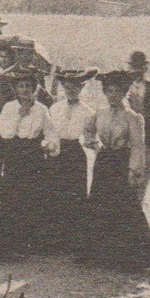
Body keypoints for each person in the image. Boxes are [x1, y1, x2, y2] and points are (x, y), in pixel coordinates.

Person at [80, 69, 150, 271]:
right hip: (105, 161)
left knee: (124, 206)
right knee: (100, 204)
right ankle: (100, 254)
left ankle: (128, 256)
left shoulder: (133, 117)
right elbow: (88, 129)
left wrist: (134, 170)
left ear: (124, 93)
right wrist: (93, 143)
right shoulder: (100, 113)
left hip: (122, 163)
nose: (113, 95)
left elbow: (137, 145)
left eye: (117, 91)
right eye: (109, 91)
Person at [0, 70, 51, 259]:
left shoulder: (42, 109)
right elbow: (5, 133)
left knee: (32, 197)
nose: (25, 90)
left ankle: (29, 243)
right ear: (15, 89)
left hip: (34, 154)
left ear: (34, 89)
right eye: (21, 86)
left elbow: (50, 132)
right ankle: (9, 245)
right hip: (14, 153)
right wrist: (20, 115)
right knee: (12, 197)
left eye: (28, 86)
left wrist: (47, 144)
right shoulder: (9, 108)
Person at [41, 69, 97, 252]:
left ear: (81, 87)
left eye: (75, 87)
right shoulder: (55, 108)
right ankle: (52, 238)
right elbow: (48, 131)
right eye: (67, 87)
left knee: (73, 195)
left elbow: (89, 138)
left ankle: (72, 239)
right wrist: (48, 145)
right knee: (53, 192)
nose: (71, 90)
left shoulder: (88, 112)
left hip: (74, 153)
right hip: (56, 151)